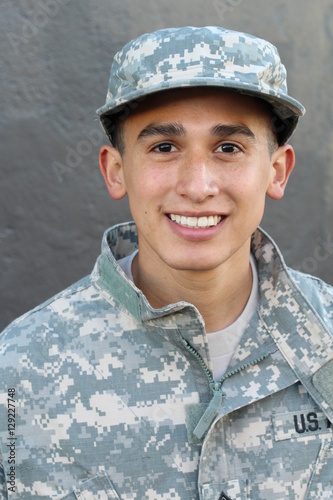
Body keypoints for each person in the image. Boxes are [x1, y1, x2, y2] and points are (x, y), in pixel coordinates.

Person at [0, 25, 332, 500]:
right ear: (116, 171)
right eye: (163, 147)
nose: (197, 186)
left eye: (228, 148)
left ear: (276, 171)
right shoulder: (18, 374)